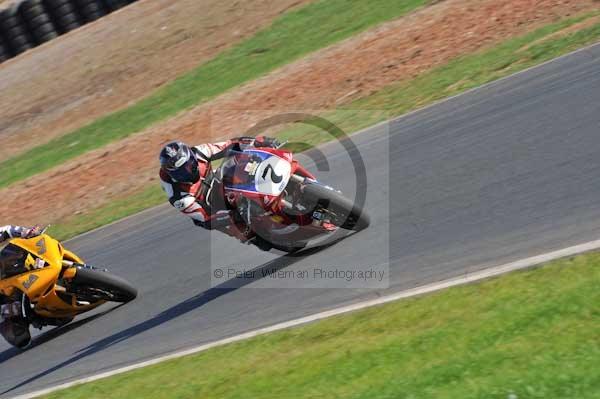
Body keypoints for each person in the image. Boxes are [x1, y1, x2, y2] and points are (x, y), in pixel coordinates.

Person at [159, 136, 280, 250]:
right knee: (247, 233)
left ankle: (269, 186)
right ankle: (264, 238)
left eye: (189, 164)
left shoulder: (200, 152)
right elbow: (206, 219)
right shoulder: (178, 197)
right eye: (182, 172)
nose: (188, 171)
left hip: (216, 179)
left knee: (240, 160)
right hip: (211, 208)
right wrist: (234, 215)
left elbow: (231, 144)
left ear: (191, 156)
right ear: (172, 175)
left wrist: (260, 141)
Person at [0, 225, 42, 348]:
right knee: (19, 339)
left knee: (19, 251)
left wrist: (25, 232)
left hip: (10, 270)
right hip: (5, 296)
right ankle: (33, 312)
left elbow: (6, 231)